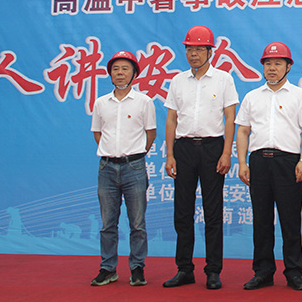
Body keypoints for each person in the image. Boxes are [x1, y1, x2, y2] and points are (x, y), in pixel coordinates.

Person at [236, 42, 302, 291]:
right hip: (259, 161)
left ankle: (294, 272)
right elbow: (243, 131)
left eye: (278, 63)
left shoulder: (299, 96)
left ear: (288, 67)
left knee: (290, 220)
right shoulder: (252, 97)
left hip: (288, 162)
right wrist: (242, 162)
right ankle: (263, 271)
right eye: (268, 63)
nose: (272, 68)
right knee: (261, 219)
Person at [162, 25, 239, 290]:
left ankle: (213, 270)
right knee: (182, 212)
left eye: (198, 49)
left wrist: (227, 152)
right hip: (183, 148)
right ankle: (184, 269)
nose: (193, 54)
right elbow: (171, 119)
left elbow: (230, 118)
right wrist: (170, 154)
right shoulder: (178, 81)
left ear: (210, 51)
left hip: (212, 148)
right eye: (189, 49)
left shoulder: (223, 79)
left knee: (213, 212)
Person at [90, 50, 156, 287]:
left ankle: (137, 268)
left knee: (137, 223)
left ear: (134, 74)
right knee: (108, 223)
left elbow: (150, 133)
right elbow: (98, 133)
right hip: (107, 167)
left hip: (134, 167)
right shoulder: (101, 103)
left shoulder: (144, 102)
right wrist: (112, 152)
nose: (120, 73)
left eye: (125, 69)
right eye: (115, 69)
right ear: (110, 74)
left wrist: (134, 154)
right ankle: (108, 268)